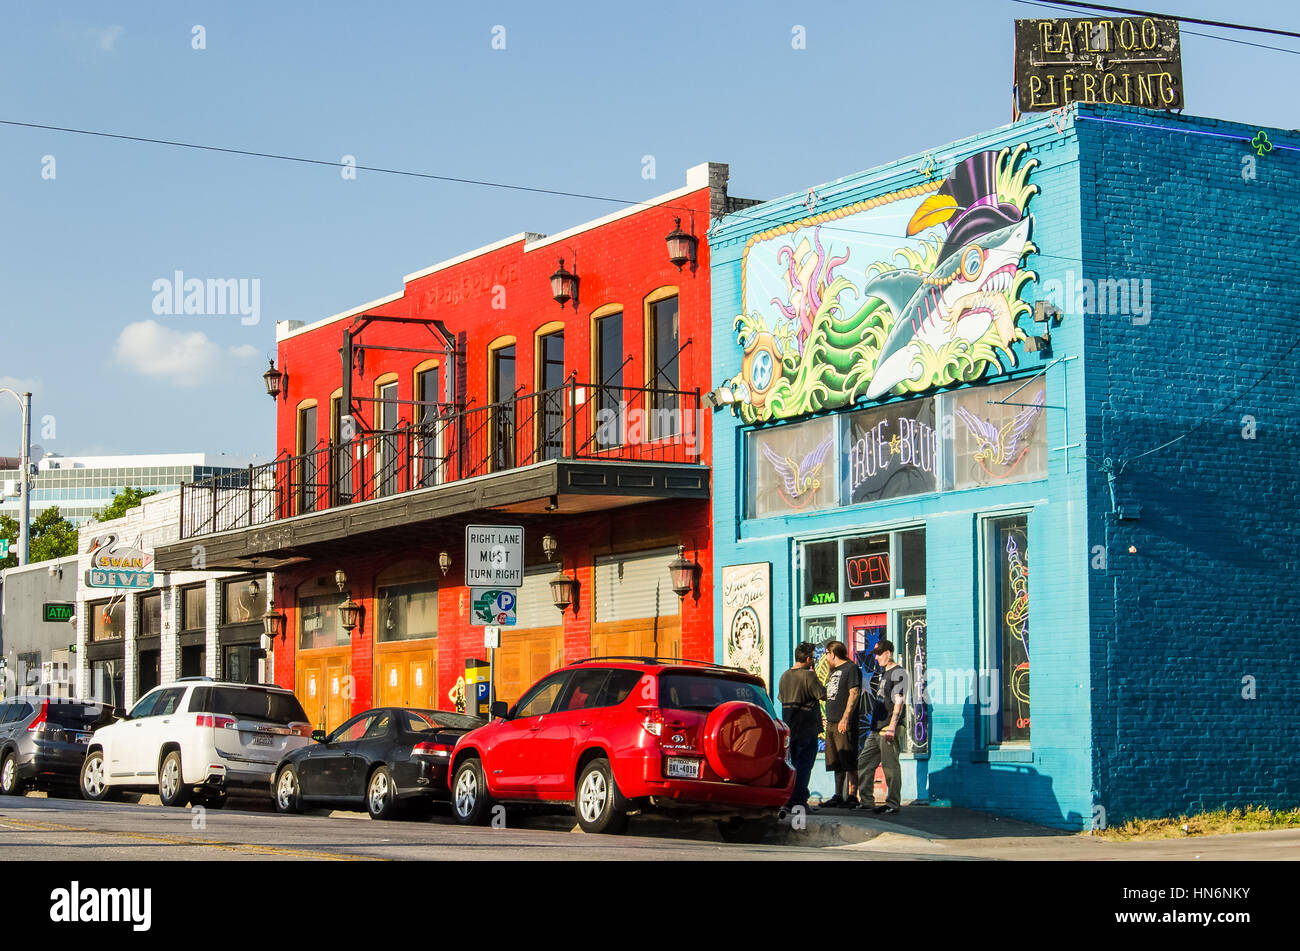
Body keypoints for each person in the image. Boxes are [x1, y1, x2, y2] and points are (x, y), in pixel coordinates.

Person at [857, 639, 907, 814]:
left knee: (890, 766)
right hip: (876, 728)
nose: (876, 658)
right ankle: (867, 801)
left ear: (889, 653)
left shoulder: (899, 672)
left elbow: (899, 701)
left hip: (888, 727)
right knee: (864, 761)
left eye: (879, 654)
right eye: (875, 655)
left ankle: (892, 804)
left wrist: (892, 725)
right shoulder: (883, 674)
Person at [778, 642, 826, 814]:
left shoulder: (784, 676)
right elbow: (823, 694)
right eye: (812, 658)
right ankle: (798, 801)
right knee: (804, 765)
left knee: (792, 764)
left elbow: (781, 698)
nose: (813, 661)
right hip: (806, 728)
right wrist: (815, 675)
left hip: (790, 728)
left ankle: (790, 799)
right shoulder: (808, 675)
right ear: (808, 659)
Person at [820, 641, 861, 809]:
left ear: (833, 654)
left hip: (844, 723)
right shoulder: (835, 671)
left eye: (827, 653)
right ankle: (838, 795)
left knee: (848, 760)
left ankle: (852, 796)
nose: (826, 657)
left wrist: (845, 718)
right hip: (831, 722)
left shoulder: (851, 669)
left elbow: (854, 693)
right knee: (835, 761)